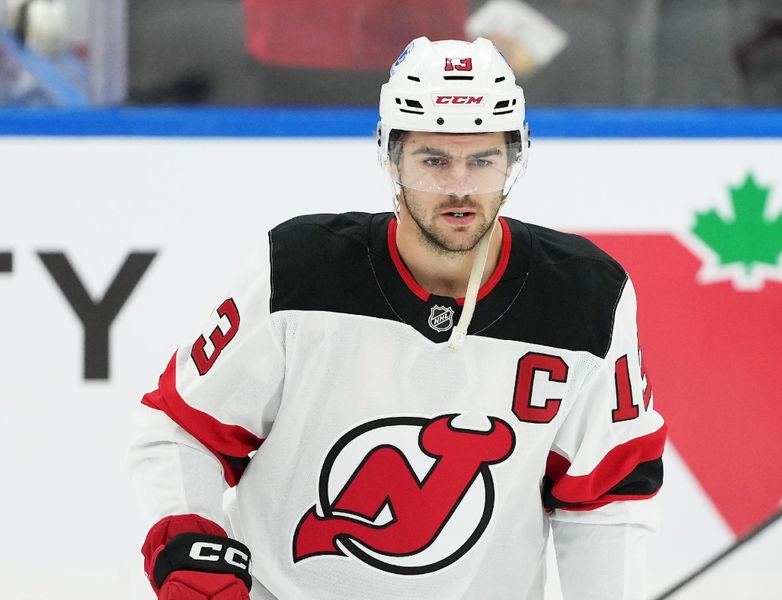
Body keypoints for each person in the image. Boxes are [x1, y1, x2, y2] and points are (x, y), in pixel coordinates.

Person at [129, 37, 666, 600]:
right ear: (390, 156)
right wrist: (185, 531)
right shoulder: (297, 272)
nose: (459, 187)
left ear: (515, 157)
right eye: (433, 160)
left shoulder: (586, 297)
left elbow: (606, 497)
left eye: (482, 160)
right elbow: (183, 426)